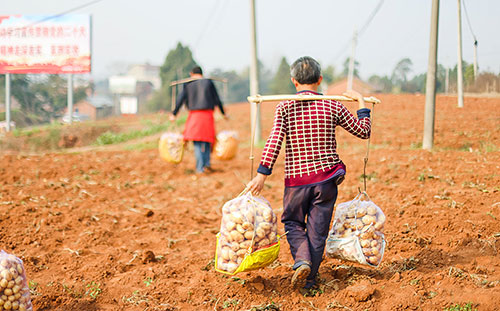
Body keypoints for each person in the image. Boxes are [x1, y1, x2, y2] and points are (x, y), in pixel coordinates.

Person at [246, 56, 371, 292]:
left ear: (294, 81)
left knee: (292, 223)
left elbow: (274, 141)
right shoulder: (334, 105)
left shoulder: (284, 107)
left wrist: (262, 174)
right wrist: (362, 102)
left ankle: (301, 260)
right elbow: (363, 131)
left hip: (297, 182)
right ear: (320, 80)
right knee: (317, 232)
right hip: (326, 179)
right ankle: (309, 281)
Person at [170, 66, 226, 174]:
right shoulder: (209, 83)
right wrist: (223, 113)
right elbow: (217, 99)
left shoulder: (188, 84)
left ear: (191, 73)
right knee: (207, 140)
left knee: (198, 142)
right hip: (208, 115)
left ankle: (200, 168)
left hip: (195, 116)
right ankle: (206, 164)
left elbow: (180, 100)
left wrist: (174, 114)